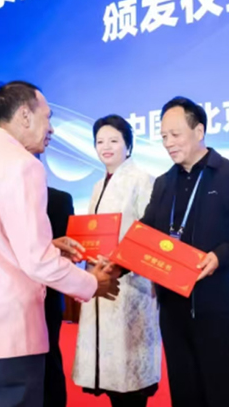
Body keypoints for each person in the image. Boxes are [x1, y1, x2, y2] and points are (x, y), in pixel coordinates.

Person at [0, 81, 120, 407]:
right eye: (48, 117)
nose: (51, 128)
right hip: (10, 335)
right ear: (25, 115)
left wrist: (50, 245)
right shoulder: (22, 164)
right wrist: (92, 283)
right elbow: (36, 260)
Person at [140, 97, 229, 407]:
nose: (168, 143)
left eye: (175, 134)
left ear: (199, 131)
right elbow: (147, 231)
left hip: (217, 304)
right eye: (163, 137)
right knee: (183, 388)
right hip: (172, 305)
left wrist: (221, 256)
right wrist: (117, 260)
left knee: (220, 389)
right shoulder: (163, 183)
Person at [74, 115, 161, 407]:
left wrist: (121, 264)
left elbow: (149, 235)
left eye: (114, 140)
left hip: (131, 285)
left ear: (129, 145)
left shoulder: (142, 180)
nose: (106, 147)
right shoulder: (98, 185)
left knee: (130, 378)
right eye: (100, 141)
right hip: (100, 281)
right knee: (111, 374)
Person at [44, 185, 75, 407]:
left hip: (48, 295)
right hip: (4, 299)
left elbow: (68, 252)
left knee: (49, 357)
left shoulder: (58, 199)